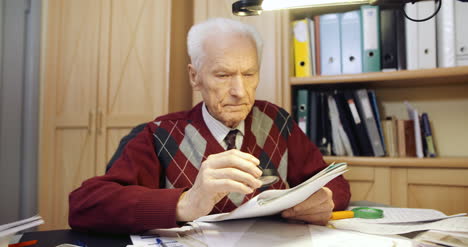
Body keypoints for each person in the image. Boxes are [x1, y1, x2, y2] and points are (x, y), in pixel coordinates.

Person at [69, 18, 350, 234]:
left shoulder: (278, 122)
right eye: (223, 74)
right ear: (195, 77)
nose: (240, 91)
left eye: (249, 74)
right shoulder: (160, 135)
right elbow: (84, 206)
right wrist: (186, 203)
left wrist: (325, 198)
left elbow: (333, 181)